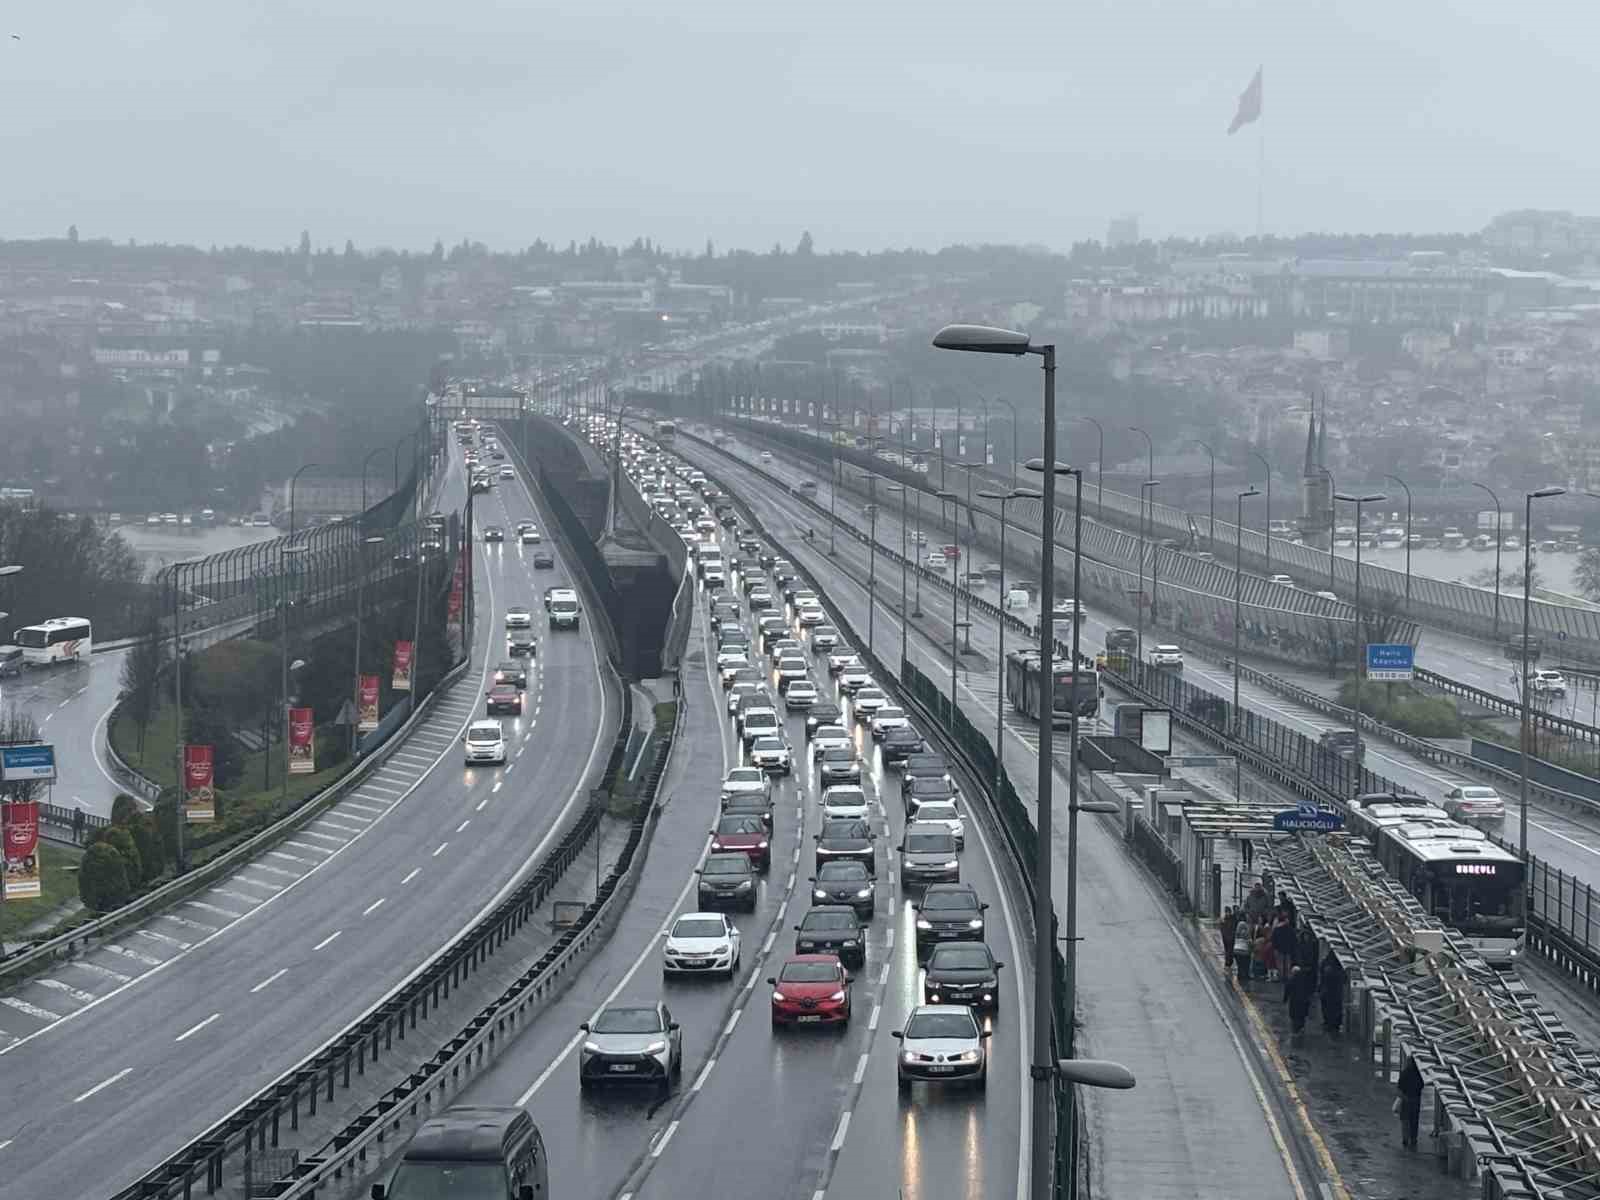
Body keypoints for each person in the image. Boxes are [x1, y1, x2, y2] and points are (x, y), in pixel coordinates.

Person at [1396, 1058, 1424, 1150]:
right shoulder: (1419, 1074)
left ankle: (1405, 1139)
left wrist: (1402, 1097)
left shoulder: (1404, 1073)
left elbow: (1399, 1087)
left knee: (1405, 1120)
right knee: (1414, 1120)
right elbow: (1421, 1086)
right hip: (1415, 1100)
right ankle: (1413, 1139)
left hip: (1406, 1099)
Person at [1320, 949, 1347, 1036]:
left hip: (1327, 991)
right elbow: (1344, 979)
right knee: (1336, 1008)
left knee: (1327, 1008)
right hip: (1336, 992)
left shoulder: (1326, 964)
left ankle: (1329, 1023)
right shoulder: (1339, 968)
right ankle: (1335, 1025)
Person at [1287, 961, 1316, 1034]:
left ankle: (1296, 1029)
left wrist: (1285, 999)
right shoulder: (1304, 980)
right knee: (1301, 1015)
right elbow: (1309, 989)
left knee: (1295, 1016)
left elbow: (1287, 989)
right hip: (1303, 1001)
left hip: (1294, 1001)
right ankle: (1301, 1027)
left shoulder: (1291, 979)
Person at [1233, 916, 1253, 986]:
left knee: (1240, 965)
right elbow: (1248, 938)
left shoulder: (1238, 927)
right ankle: (1245, 976)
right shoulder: (1245, 926)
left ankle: (1240, 976)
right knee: (1245, 963)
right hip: (1244, 950)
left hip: (1236, 949)